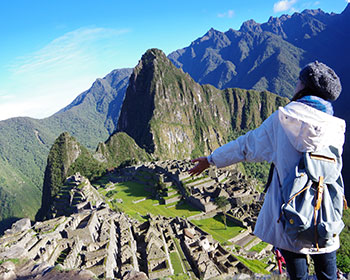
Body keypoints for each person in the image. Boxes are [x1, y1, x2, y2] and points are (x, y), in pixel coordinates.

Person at [188, 61, 345, 280]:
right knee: (328, 275)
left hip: (291, 214)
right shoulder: (336, 127)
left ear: (305, 87)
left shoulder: (283, 120)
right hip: (325, 214)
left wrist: (211, 159)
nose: (296, 85)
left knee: (298, 277)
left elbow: (246, 146)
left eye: (299, 81)